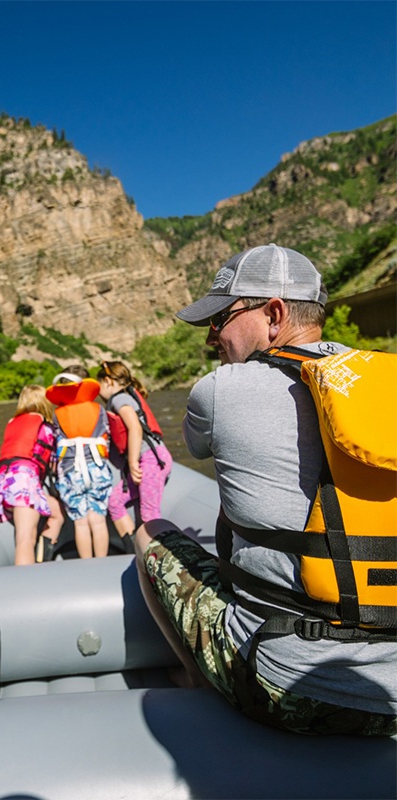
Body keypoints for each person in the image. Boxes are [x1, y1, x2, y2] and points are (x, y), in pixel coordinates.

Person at [134, 243, 397, 735]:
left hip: (284, 686)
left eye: (221, 320)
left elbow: (197, 446)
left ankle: (199, 680)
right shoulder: (387, 381)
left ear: (274, 314)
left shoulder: (219, 389)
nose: (212, 337)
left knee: (149, 531)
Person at [97, 361, 173, 553]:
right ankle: (135, 551)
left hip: (151, 459)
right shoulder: (122, 397)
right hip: (148, 460)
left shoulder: (118, 399)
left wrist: (132, 462)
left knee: (149, 514)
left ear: (108, 381)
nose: (98, 392)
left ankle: (160, 558)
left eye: (99, 385)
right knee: (115, 502)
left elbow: (135, 428)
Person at [0, 384, 63, 565]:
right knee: (25, 539)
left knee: (57, 512)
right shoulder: (45, 427)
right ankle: (25, 584)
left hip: (5, 481)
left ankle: (42, 559)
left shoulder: (12, 422)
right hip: (23, 481)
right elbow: (54, 461)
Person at [46, 366, 113, 559]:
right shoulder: (98, 409)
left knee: (81, 522)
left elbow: (56, 441)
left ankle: (87, 566)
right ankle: (102, 563)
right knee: (99, 521)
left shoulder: (59, 413)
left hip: (70, 472)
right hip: (97, 469)